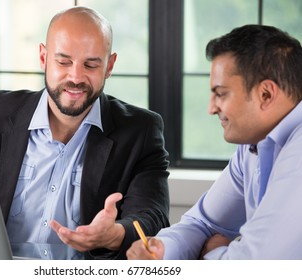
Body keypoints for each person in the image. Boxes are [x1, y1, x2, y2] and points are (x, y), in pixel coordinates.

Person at [0, 6, 170, 260]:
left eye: (91, 64)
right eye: (63, 61)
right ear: (43, 58)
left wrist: (114, 234)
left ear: (109, 66)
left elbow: (153, 217)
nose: (75, 76)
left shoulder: (140, 130)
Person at [127, 24, 302, 260]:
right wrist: (161, 251)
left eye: (220, 93)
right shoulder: (252, 146)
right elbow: (203, 223)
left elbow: (256, 263)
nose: (211, 108)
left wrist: (211, 252)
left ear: (266, 95)